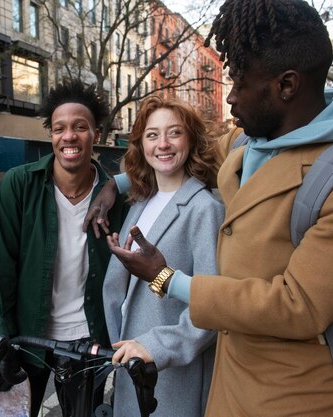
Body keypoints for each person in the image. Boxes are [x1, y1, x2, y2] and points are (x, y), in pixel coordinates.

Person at [84, 0, 333, 416]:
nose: (232, 99)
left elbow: (299, 306)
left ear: (287, 86)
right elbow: (181, 157)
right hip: (227, 381)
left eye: (240, 83)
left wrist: (167, 279)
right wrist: (115, 185)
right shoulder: (247, 143)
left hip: (299, 395)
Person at [0, 79, 128, 417]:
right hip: (29, 335)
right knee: (13, 413)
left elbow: (161, 163)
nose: (69, 136)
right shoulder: (19, 185)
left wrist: (115, 184)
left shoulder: (116, 199)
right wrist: (2, 335)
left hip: (89, 338)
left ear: (96, 134)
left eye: (80, 127)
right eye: (59, 128)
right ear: (51, 134)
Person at [103, 96, 223, 417]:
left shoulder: (205, 209)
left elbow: (212, 308)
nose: (163, 144)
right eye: (152, 135)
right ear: (141, 144)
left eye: (175, 133)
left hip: (171, 375)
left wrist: (155, 348)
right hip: (131, 366)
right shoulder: (140, 203)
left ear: (191, 140)